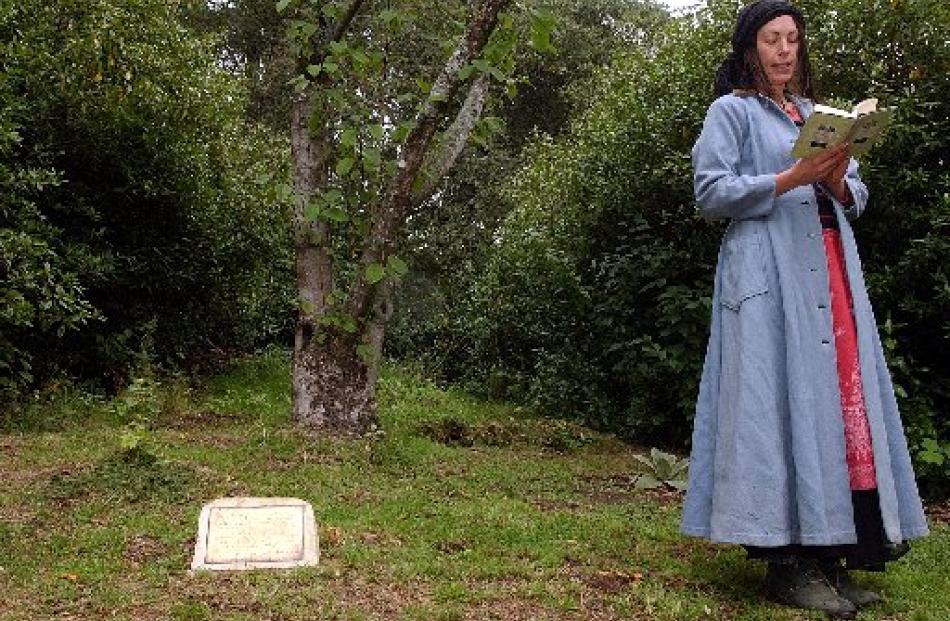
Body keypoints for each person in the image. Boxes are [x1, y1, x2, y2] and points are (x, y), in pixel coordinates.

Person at [679, 1, 929, 618]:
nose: (784, 51)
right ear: (748, 48)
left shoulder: (818, 114)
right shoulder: (730, 112)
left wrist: (836, 175)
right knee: (776, 407)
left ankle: (829, 558)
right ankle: (785, 566)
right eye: (772, 40)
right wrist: (793, 176)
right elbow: (711, 193)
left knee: (835, 410)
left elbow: (857, 197)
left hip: (830, 274)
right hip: (767, 274)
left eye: (792, 39)